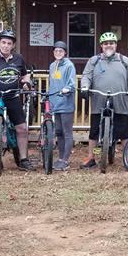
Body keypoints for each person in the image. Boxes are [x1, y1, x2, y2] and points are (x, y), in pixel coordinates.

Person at [79, 31, 128, 172]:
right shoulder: (94, 61)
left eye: (111, 43)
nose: (109, 46)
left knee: (124, 132)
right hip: (98, 99)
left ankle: (127, 158)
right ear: (101, 45)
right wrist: (84, 87)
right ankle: (91, 157)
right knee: (94, 132)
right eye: (106, 43)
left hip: (120, 99)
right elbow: (86, 76)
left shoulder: (124, 60)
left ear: (116, 45)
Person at [0, 29, 35, 172]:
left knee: (21, 128)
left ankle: (23, 159)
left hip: (13, 97)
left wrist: (26, 83)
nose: (5, 45)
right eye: (3, 42)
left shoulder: (18, 59)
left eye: (9, 43)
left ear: (13, 45)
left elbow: (25, 75)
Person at [47, 41, 76, 171]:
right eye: (56, 51)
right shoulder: (52, 65)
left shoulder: (69, 65)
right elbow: (52, 83)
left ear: (65, 53)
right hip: (55, 103)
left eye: (61, 51)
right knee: (58, 132)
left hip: (66, 103)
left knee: (67, 132)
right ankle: (60, 158)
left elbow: (72, 83)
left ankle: (65, 160)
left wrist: (67, 89)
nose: (58, 53)